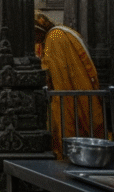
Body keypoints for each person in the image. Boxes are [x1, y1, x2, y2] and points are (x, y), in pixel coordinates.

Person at [34, 11, 106, 157]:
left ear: (38, 31)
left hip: (68, 93)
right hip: (77, 89)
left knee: (70, 125)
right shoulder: (58, 34)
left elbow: (57, 73)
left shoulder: (55, 37)